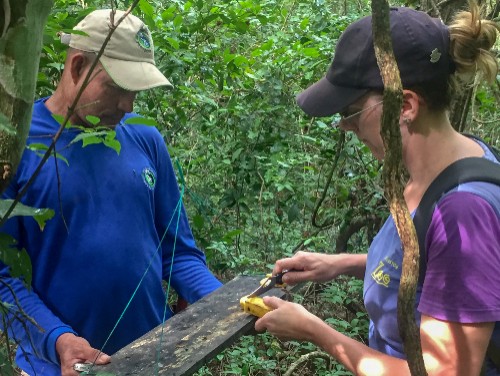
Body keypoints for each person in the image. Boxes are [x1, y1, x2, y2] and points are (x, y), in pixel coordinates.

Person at [255, 5, 500, 375]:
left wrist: (317, 332)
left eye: (351, 113)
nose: (345, 127)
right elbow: (427, 269)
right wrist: (337, 265)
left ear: (404, 105)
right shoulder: (448, 166)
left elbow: (445, 372)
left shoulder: (463, 214)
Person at [0, 9, 222, 376]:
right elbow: (3, 278)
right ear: (77, 66)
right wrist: (57, 339)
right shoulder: (17, 149)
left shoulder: (145, 138)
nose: (127, 105)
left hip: (157, 360)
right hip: (58, 369)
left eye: (134, 91)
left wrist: (226, 302)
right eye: (117, 88)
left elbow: (177, 252)